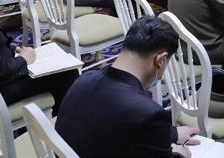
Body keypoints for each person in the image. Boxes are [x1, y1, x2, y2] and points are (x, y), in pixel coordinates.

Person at [56, 16, 198, 158]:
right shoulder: (150, 113)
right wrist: (180, 154)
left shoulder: (84, 79)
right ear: (160, 61)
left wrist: (171, 133)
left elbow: (109, 123)